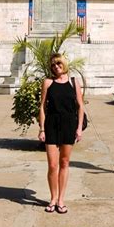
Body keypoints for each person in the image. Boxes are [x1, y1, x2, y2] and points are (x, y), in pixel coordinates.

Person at [38, 53, 84, 214]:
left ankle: (61, 200)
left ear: (63, 64)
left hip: (69, 124)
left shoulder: (73, 82)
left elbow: (80, 106)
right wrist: (42, 128)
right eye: (53, 65)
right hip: (51, 124)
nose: (56, 67)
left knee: (64, 163)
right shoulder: (48, 82)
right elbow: (42, 107)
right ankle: (52, 198)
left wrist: (79, 129)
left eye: (58, 64)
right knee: (52, 165)